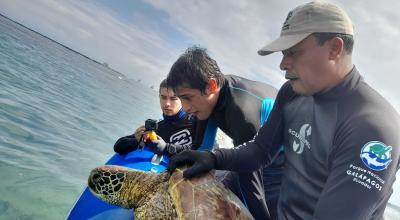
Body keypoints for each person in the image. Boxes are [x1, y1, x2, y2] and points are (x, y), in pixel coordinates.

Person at [168, 1, 400, 219]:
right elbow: (260, 151)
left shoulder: (372, 129)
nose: (282, 64)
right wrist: (212, 157)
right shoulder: (292, 94)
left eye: (293, 52)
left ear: (334, 48)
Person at [166, 46, 284, 220]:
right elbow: (200, 149)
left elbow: (250, 181)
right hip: (248, 157)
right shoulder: (209, 100)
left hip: (282, 167)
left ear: (211, 85)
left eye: (187, 97)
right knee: (216, 199)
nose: (185, 108)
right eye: (180, 98)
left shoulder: (241, 112)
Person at [114, 79, 197, 156]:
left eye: (173, 98)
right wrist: (136, 139)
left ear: (182, 99)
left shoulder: (196, 120)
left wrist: (167, 148)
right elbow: (118, 147)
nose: (167, 104)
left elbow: (202, 149)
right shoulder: (157, 128)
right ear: (159, 97)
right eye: (163, 97)